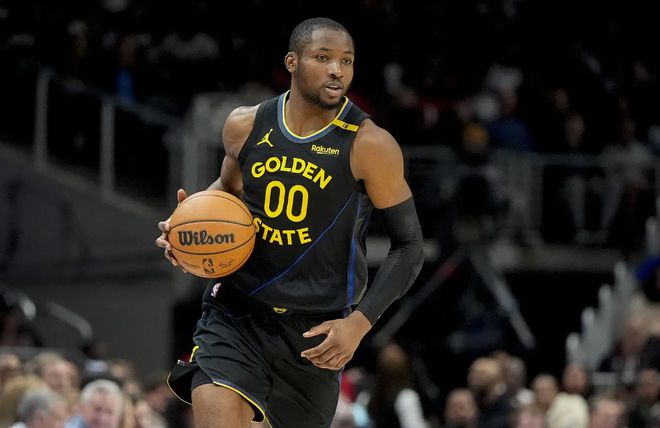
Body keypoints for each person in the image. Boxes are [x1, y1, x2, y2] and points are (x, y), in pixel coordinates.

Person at [155, 17, 424, 428]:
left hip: (314, 332)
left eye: (347, 61)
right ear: (292, 62)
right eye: (324, 57)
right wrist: (187, 228)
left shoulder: (370, 144)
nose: (337, 70)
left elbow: (409, 246)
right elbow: (226, 192)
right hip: (236, 312)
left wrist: (359, 323)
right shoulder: (246, 124)